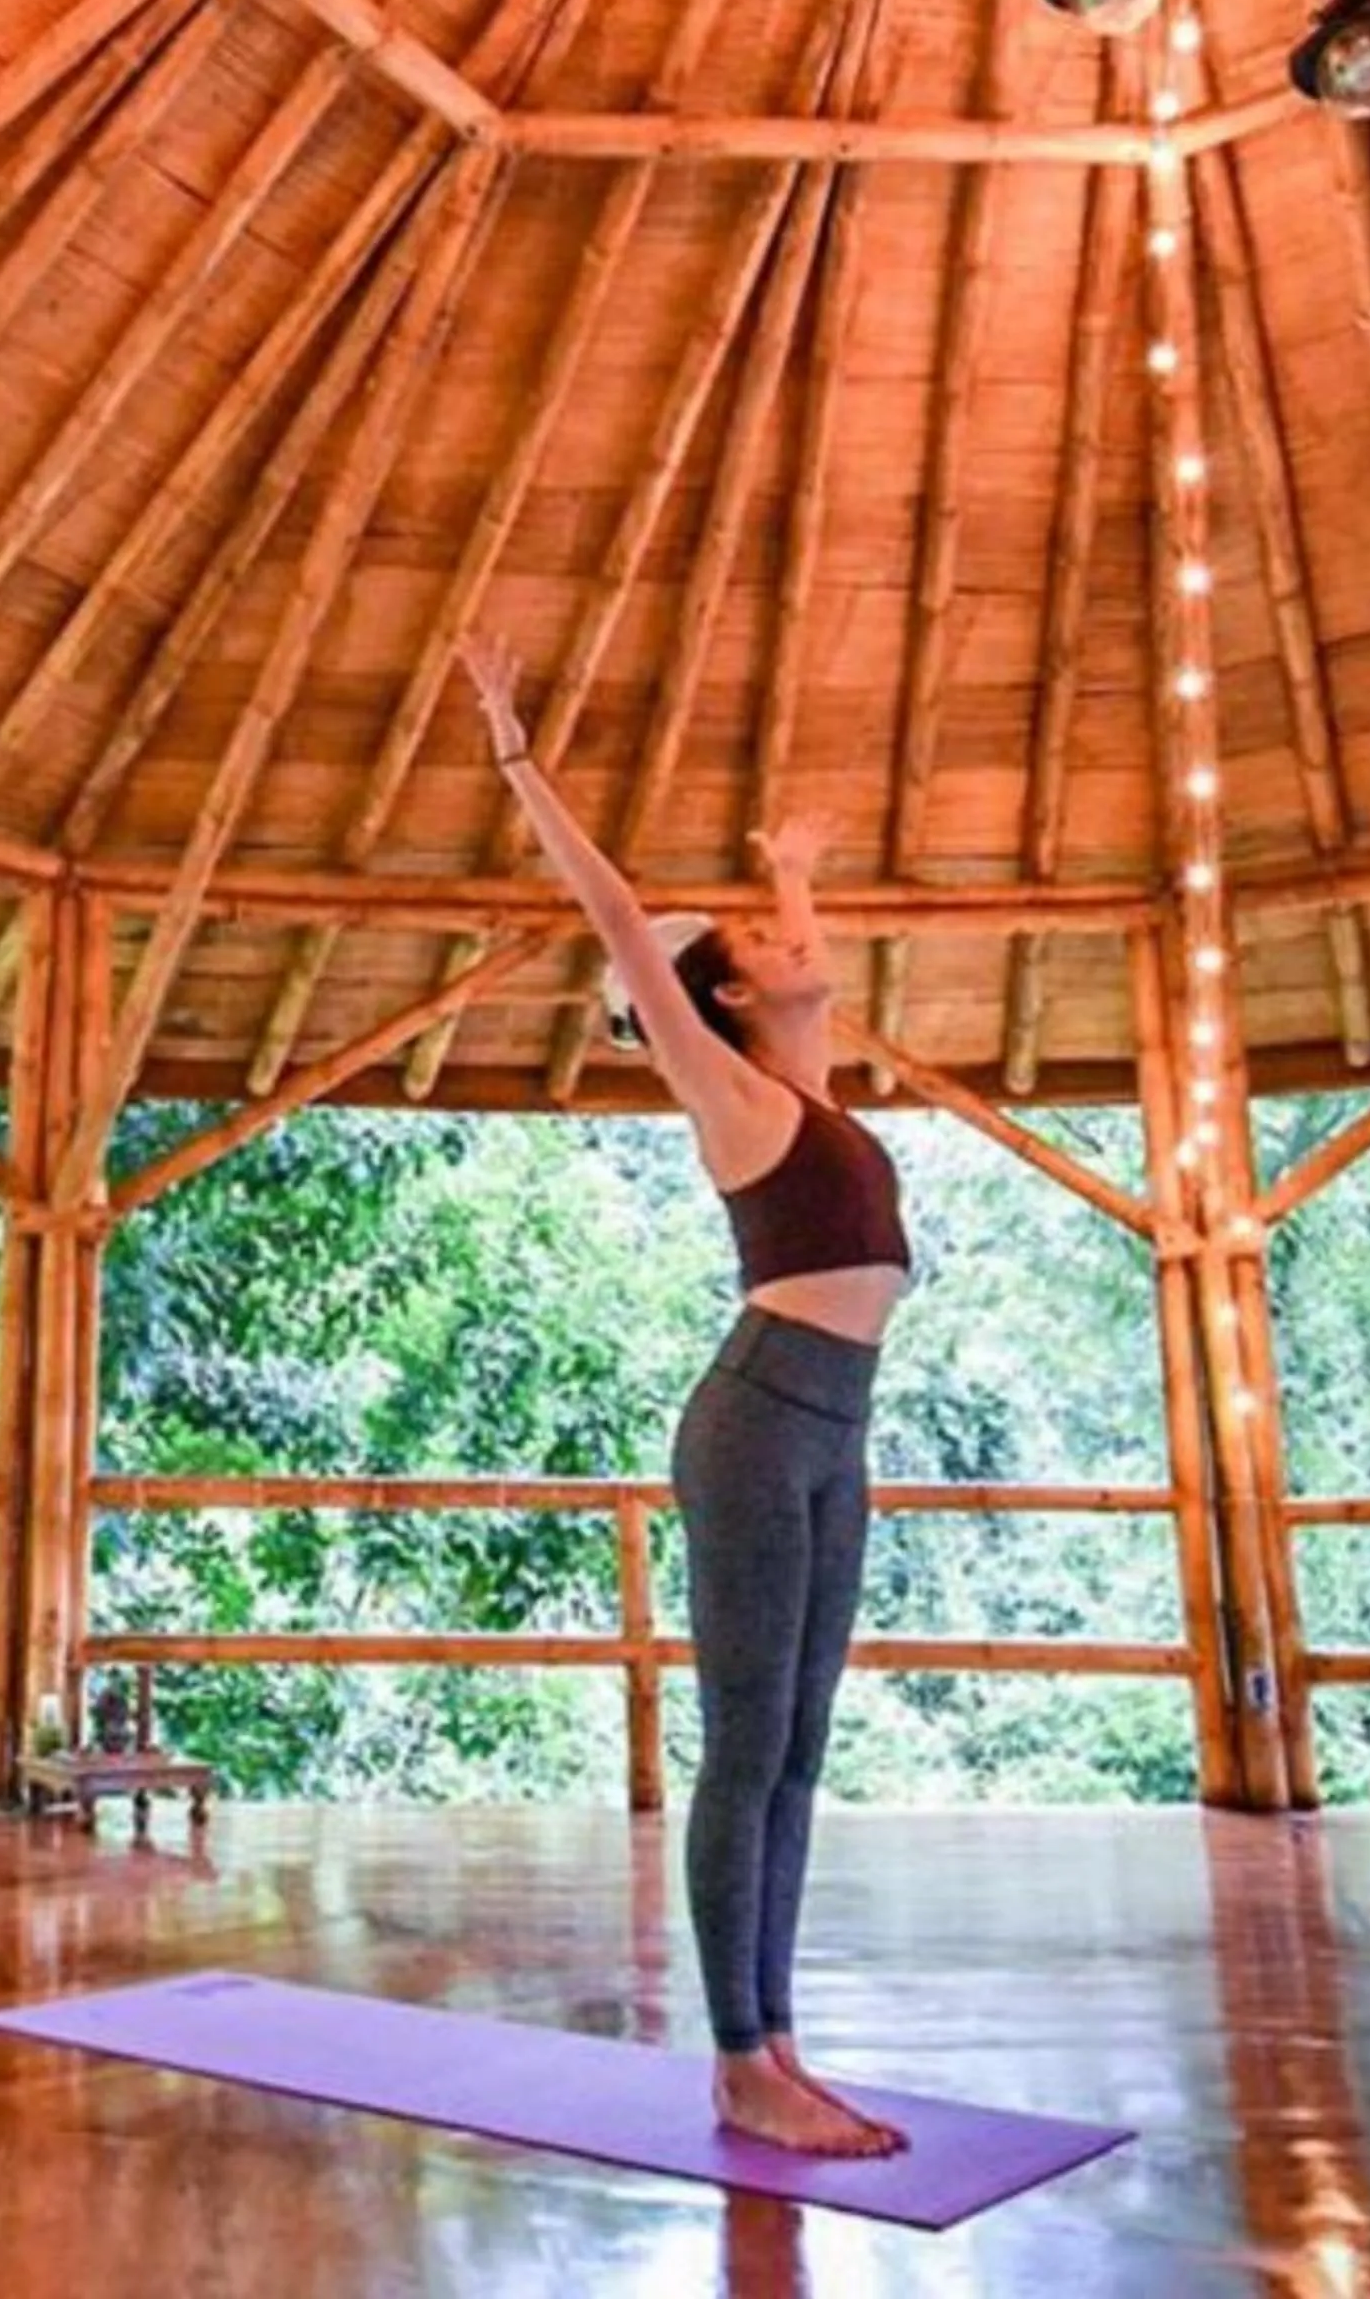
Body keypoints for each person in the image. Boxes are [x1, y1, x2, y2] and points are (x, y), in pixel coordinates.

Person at [458, 634, 912, 2159]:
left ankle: (780, 2042)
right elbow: (623, 934)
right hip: (758, 1419)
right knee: (744, 1740)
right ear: (717, 997)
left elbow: (809, 976)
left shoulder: (815, 1093)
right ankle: (736, 2063)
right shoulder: (732, 1098)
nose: (796, 948)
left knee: (799, 1747)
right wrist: (519, 753)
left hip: (835, 1430)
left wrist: (791, 873)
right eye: (765, 942)